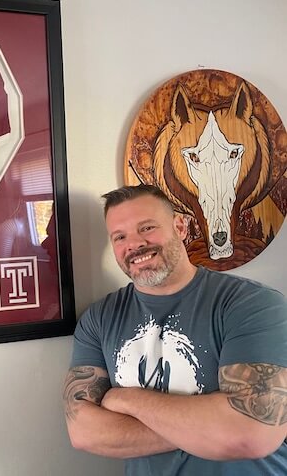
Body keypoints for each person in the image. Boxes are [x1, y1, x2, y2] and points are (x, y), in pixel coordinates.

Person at [63, 184, 287, 475]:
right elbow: (84, 433)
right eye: (120, 236)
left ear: (180, 226)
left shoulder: (251, 305)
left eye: (147, 227)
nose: (134, 244)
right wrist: (210, 430)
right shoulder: (99, 319)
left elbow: (252, 434)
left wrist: (124, 399)